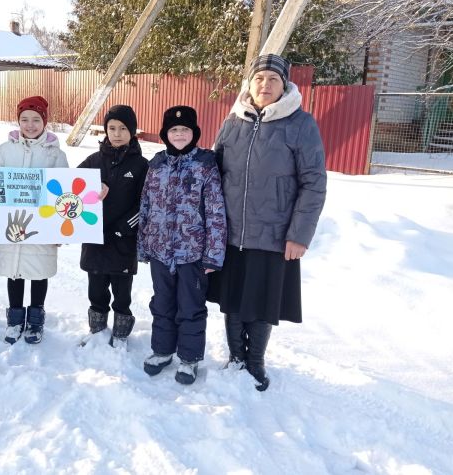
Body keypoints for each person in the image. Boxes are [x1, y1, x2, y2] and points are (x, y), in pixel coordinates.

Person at [208, 54, 327, 391]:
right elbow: (214, 173)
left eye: (272, 80)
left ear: (285, 85)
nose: (265, 85)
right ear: (250, 83)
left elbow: (313, 183)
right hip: (231, 232)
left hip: (275, 234)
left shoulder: (300, 124)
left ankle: (255, 361)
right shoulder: (234, 120)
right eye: (259, 79)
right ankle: (235, 356)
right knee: (232, 297)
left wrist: (299, 235)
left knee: (262, 300)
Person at [138, 106, 227, 385]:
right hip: (160, 251)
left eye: (185, 130)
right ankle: (162, 351)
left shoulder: (206, 165)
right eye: (174, 130)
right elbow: (146, 206)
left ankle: (189, 359)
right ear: (165, 134)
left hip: (193, 254)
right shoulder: (156, 165)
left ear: (194, 133)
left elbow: (215, 211)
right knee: (162, 303)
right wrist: (143, 245)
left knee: (190, 306)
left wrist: (213, 255)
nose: (179, 134)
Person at [0, 96, 68, 344]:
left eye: (36, 120)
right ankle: (15, 319)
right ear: (18, 121)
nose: (30, 125)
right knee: (15, 272)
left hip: (44, 226)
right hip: (13, 223)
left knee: (39, 272)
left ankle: (36, 319)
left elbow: (64, 192)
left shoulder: (55, 154)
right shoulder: (5, 150)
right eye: (24, 119)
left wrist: (61, 230)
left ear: (45, 122)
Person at [78, 105, 148, 348]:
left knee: (121, 293)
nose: (117, 133)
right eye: (111, 128)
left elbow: (145, 203)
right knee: (96, 290)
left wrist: (124, 227)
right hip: (95, 239)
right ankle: (97, 329)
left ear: (132, 131)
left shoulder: (141, 165)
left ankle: (120, 334)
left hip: (123, 241)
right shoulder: (93, 161)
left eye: (122, 128)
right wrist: (96, 185)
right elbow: (71, 189)